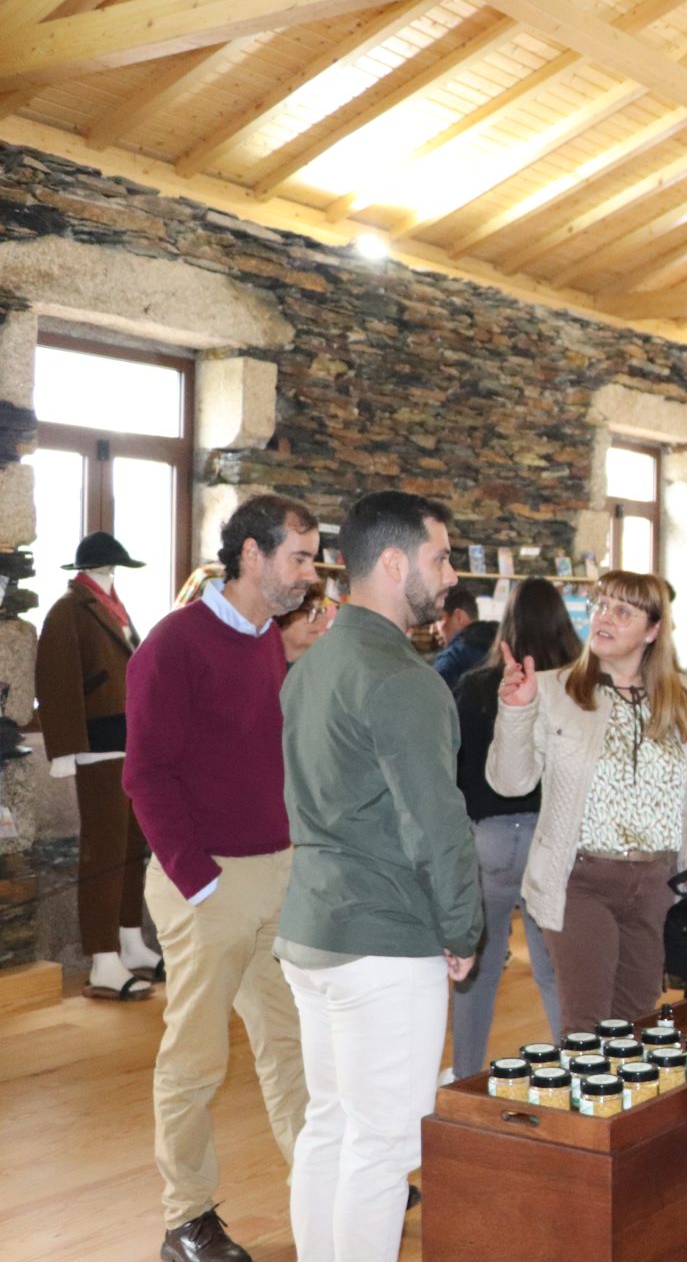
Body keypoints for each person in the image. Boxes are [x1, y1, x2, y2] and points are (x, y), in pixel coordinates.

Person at [276, 491, 483, 1262]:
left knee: (331, 1127)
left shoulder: (313, 664)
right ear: (395, 564)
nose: (451, 576)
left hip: (313, 927)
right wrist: (463, 927)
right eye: (442, 557)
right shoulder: (400, 677)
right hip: (383, 939)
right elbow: (437, 824)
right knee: (383, 1148)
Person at [125, 495, 320, 1262]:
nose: (309, 574)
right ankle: (186, 1220)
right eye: (298, 558)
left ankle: (322, 1179)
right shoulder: (175, 644)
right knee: (196, 1059)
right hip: (206, 886)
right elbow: (146, 775)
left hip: (276, 872)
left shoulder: (266, 640)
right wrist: (198, 881)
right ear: (250, 555)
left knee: (291, 1041)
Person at [487, 571, 687, 1031]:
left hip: (657, 882)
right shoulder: (553, 689)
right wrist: (516, 711)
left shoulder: (683, 694)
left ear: (653, 630)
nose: (604, 617)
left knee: (639, 1023)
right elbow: (510, 784)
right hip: (580, 880)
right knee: (588, 1027)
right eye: (601, 605)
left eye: (623, 611)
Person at [448, 578, 579, 1078]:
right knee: (552, 970)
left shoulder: (477, 685)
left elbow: (456, 769)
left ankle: (465, 1077)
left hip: (490, 840)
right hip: (554, 839)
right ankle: (575, 1073)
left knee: (476, 971)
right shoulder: (576, 689)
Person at [36, 532, 158, 1001]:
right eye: (106, 566)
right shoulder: (68, 611)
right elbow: (55, 681)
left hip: (131, 742)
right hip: (98, 745)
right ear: (89, 569)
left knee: (132, 848)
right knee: (104, 852)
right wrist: (64, 750)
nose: (111, 573)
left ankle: (130, 940)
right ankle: (102, 957)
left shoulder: (114, 608)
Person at [432, 585, 496, 691]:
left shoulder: (450, 660)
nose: (432, 630)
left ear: (459, 616)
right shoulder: (504, 650)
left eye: (439, 619)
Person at [276, 580, 335, 665]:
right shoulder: (263, 663)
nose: (323, 619)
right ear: (283, 615)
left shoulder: (328, 664)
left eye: (321, 611)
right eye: (312, 612)